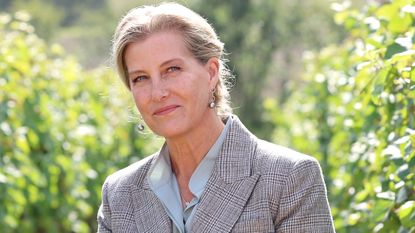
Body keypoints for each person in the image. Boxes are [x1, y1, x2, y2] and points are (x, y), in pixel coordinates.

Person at [97, 2, 335, 233]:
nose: (158, 93)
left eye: (172, 70)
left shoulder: (290, 179)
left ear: (211, 72)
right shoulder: (119, 195)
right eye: (140, 78)